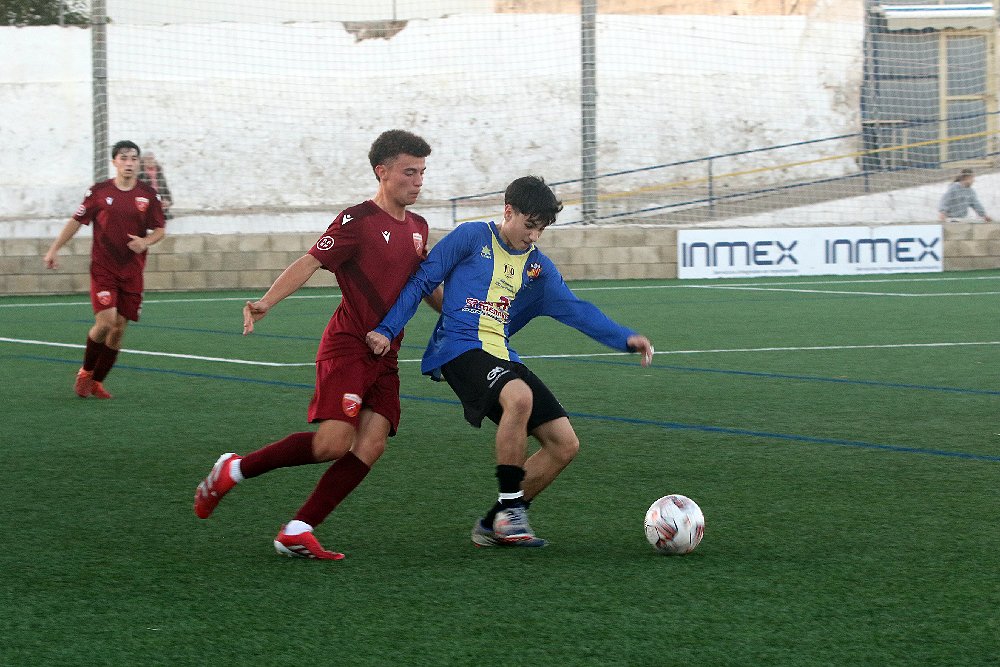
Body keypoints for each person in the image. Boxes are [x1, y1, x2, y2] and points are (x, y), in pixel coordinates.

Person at [193, 129, 442, 560]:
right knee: (332, 444)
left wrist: (470, 317)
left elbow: (424, 286)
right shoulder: (357, 220)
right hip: (348, 346)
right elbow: (311, 260)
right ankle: (232, 469)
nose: (418, 180)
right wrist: (267, 302)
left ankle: (298, 529)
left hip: (387, 352)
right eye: (409, 172)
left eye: (422, 172)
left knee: (372, 444)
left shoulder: (419, 229)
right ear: (383, 173)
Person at [366, 175, 654, 547]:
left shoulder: (538, 268)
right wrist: (387, 330)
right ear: (509, 212)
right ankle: (511, 511)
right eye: (530, 226)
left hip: (500, 354)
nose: (534, 236)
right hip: (459, 349)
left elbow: (576, 309)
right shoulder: (470, 237)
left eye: (542, 229)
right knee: (518, 396)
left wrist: (624, 338)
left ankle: (493, 523)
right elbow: (421, 281)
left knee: (564, 444)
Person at [43, 140, 167, 399]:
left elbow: (160, 230)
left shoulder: (148, 194)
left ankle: (97, 381)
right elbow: (76, 221)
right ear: (114, 162)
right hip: (103, 267)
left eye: (134, 158)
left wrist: (144, 242)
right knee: (106, 322)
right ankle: (86, 372)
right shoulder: (98, 192)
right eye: (124, 158)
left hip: (132, 270)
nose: (129, 163)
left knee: (120, 327)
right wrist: (54, 249)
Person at [137, 152, 173, 220]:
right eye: (147, 159)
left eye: (152, 158)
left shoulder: (159, 174)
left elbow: (166, 191)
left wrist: (168, 201)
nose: (150, 161)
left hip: (160, 208)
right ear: (143, 161)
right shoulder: (140, 175)